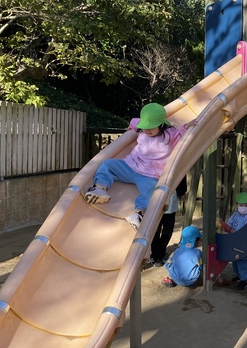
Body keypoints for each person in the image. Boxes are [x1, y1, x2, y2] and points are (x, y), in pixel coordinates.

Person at [84, 103, 196, 231]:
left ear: (161, 124)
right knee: (108, 164)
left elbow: (182, 135)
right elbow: (134, 121)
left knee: (152, 193)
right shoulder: (141, 127)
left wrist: (186, 127)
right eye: (145, 127)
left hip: (150, 175)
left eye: (151, 127)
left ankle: (138, 213)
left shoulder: (170, 135)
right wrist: (131, 127)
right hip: (131, 165)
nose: (147, 130)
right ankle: (100, 188)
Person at [149, 176, 187, 267]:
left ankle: (162, 252)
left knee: (168, 229)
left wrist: (182, 192)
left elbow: (182, 174)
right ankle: (155, 255)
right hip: (155, 197)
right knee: (156, 230)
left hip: (171, 198)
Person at [224, 192, 247, 291]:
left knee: (243, 262)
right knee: (235, 262)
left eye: (246, 205)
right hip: (235, 243)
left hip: (244, 244)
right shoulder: (235, 215)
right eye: (241, 205)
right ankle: (239, 275)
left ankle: (245, 279)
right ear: (237, 205)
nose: (243, 208)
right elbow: (229, 224)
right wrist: (227, 228)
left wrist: (236, 233)